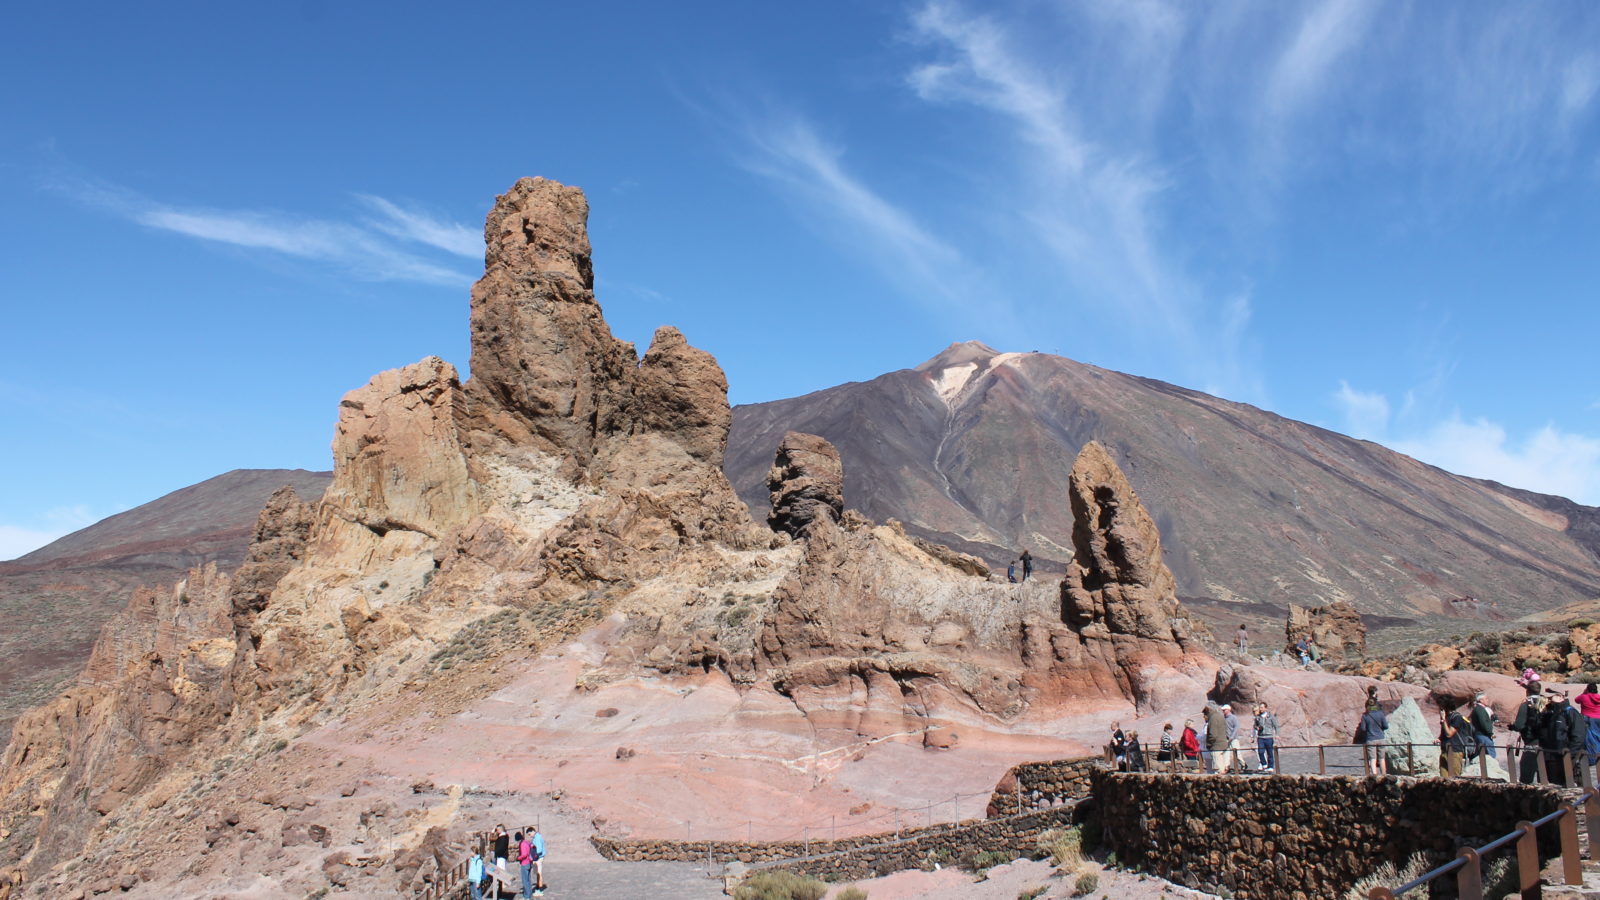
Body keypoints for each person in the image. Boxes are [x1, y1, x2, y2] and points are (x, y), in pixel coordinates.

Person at [1512, 686, 1546, 782]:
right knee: (1544, 776)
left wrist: (1514, 727)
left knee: (1526, 776)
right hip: (1546, 745)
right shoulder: (1545, 703)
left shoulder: (1526, 704)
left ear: (1527, 692)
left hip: (1531, 742)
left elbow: (1519, 725)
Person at [1440, 706, 1472, 777]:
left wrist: (1443, 720)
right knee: (1443, 778)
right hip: (1445, 750)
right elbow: (1444, 733)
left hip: (1455, 751)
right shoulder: (1446, 717)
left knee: (1454, 778)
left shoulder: (1457, 717)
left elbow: (1449, 734)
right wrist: (1439, 739)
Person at [1359, 701, 1389, 776]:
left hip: (1370, 738)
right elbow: (1386, 726)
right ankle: (1384, 775)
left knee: (1372, 759)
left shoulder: (1365, 715)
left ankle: (1374, 776)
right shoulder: (1381, 714)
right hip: (1381, 738)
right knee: (1382, 758)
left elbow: (1363, 728)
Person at [1575, 683, 1600, 762]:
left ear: (1587, 689)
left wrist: (1584, 692)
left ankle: (1592, 758)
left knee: (1589, 739)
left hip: (1587, 719)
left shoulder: (1584, 697)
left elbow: (1576, 700)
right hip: (1598, 718)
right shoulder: (1599, 697)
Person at [1470, 693, 1497, 760]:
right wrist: (1490, 732)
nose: (1488, 700)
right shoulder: (1480, 709)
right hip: (1483, 735)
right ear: (1481, 700)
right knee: (1491, 755)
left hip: (1480, 734)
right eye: (1486, 699)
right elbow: (1484, 723)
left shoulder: (1479, 709)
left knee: (1480, 754)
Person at [1203, 703, 1229, 773]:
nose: (1204, 717)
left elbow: (1213, 735)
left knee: (1218, 770)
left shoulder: (1213, 718)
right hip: (1223, 744)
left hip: (1216, 746)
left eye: (1204, 714)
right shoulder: (1220, 716)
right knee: (1222, 768)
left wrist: (1208, 744)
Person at [1254, 702, 1279, 772]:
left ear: (1265, 708)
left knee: (1269, 752)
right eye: (1260, 707)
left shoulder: (1271, 717)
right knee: (1260, 752)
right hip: (1261, 737)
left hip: (1269, 737)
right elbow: (1255, 725)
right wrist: (1257, 728)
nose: (1261, 709)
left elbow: (1276, 726)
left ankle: (1271, 766)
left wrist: (1277, 734)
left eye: (1262, 707)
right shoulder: (1258, 717)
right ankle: (1264, 764)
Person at [1221, 703, 1241, 773]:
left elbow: (1236, 727)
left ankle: (1243, 765)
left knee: (1237, 754)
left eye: (1224, 710)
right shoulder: (1223, 718)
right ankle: (1227, 767)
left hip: (1234, 739)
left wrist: (1232, 736)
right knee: (1226, 753)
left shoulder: (1233, 718)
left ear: (1228, 710)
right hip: (1226, 739)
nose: (1223, 711)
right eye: (1222, 710)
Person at [530, 826, 547, 895]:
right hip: (537, 857)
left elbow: (539, 849)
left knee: (539, 873)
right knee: (537, 872)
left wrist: (535, 855)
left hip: (538, 858)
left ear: (532, 831)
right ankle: (538, 887)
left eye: (529, 834)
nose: (530, 836)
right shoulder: (537, 837)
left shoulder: (537, 838)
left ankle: (540, 889)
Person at [517, 830, 533, 898]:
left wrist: (518, 858)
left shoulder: (522, 844)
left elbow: (524, 854)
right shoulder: (526, 842)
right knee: (528, 880)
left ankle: (527, 896)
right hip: (529, 862)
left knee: (525, 880)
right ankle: (529, 894)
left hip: (525, 863)